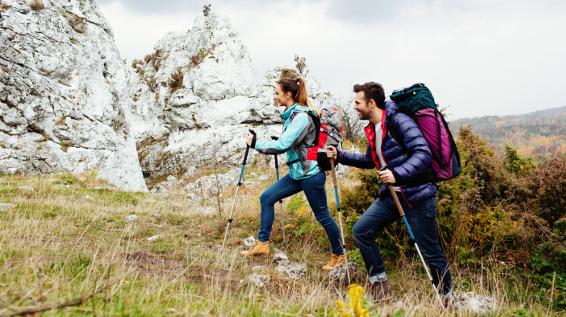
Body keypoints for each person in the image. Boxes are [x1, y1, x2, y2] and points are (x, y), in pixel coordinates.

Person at [326, 82, 452, 301]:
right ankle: (380, 288)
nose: (354, 107)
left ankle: (447, 299)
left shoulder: (398, 120)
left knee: (430, 252)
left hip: (417, 195)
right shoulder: (373, 128)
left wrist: (397, 174)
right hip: (392, 195)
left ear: (371, 103)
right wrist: (339, 154)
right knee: (362, 231)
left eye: (357, 102)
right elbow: (369, 160)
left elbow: (422, 153)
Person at [241, 76, 345, 272]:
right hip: (298, 174)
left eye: (277, 93)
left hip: (311, 174)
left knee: (322, 215)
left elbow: (283, 145)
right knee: (266, 198)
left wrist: (256, 144)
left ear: (288, 94)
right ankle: (262, 244)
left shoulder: (302, 117)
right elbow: (291, 142)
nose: (275, 96)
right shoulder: (293, 115)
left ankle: (339, 255)